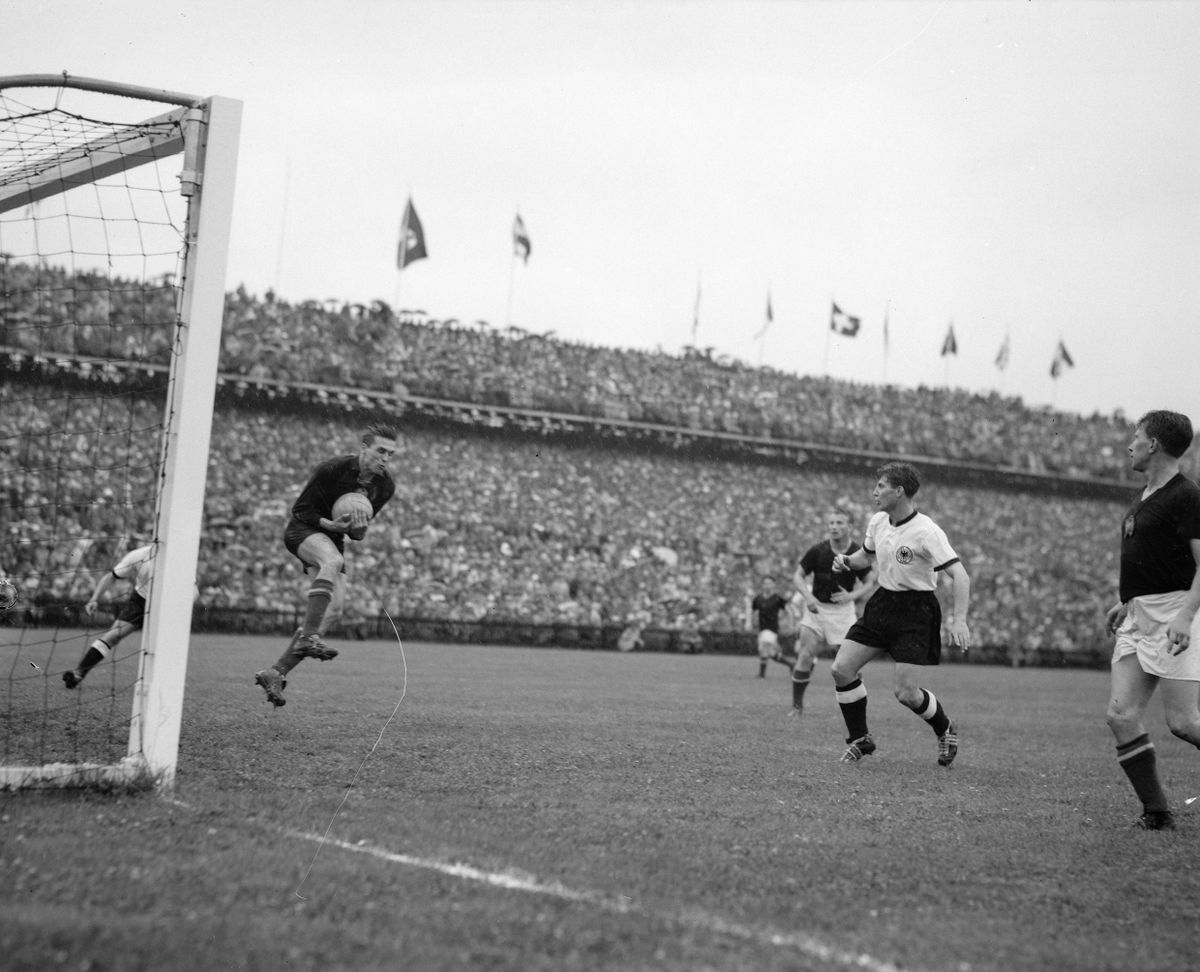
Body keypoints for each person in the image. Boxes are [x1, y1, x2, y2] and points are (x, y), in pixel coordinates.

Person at [828, 461, 970, 765]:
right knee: (841, 669)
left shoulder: (927, 531)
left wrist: (960, 620)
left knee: (906, 693)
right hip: (882, 603)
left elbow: (960, 575)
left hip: (916, 611)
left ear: (899, 491)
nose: (874, 492)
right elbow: (865, 556)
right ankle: (860, 739)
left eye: (881, 486)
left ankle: (944, 728)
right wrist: (846, 561)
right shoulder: (878, 521)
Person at [254, 424, 398, 708]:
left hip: (333, 539)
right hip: (302, 530)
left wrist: (356, 528)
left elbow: (357, 535)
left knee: (335, 611)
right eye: (380, 451)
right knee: (332, 561)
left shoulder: (384, 486)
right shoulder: (332, 469)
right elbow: (301, 510)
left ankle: (276, 672)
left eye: (390, 454)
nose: (385, 458)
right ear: (364, 448)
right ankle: (308, 637)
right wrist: (329, 524)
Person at [1104, 410, 1200, 831]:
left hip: (1174, 614)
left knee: (1183, 723)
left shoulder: (1187, 496)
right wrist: (1125, 600)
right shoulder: (1144, 495)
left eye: (1136, 436)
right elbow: (1149, 560)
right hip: (1140, 615)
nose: (1130, 444)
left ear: (1154, 444)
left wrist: (1186, 614)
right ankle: (1158, 813)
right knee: (1120, 715)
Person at [789, 507, 876, 714]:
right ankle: (797, 707)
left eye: (839, 523)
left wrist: (852, 596)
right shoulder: (817, 551)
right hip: (817, 609)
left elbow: (870, 581)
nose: (834, 527)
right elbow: (797, 576)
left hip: (843, 612)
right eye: (831, 523)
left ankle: (856, 710)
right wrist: (808, 596)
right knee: (805, 655)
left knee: (848, 665)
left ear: (850, 527)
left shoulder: (857, 552)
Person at [64, 540, 154, 688]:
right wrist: (94, 599)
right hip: (141, 601)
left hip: (166, 606)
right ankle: (78, 673)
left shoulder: (178, 560)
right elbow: (111, 576)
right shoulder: (139, 555)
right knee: (113, 635)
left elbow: (193, 591)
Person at [749, 574, 790, 678]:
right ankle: (791, 664)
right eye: (765, 583)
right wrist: (751, 621)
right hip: (762, 628)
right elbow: (753, 611)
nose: (767, 585)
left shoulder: (777, 598)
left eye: (769, 583)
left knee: (764, 645)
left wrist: (787, 621)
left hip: (772, 628)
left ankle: (762, 673)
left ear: (774, 585)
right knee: (769, 652)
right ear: (762, 585)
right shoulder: (758, 599)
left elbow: (788, 610)